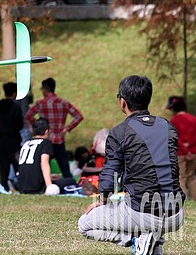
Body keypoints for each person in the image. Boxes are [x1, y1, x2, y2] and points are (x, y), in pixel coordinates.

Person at [78, 75, 184, 255]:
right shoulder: (168, 127)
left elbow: (110, 175)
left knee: (84, 225)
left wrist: (102, 200)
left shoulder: (120, 132)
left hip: (144, 212)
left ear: (122, 102)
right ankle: (151, 242)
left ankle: (137, 239)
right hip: (176, 213)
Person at [25, 77, 83, 178]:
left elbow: (28, 117)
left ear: (45, 89)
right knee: (64, 168)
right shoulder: (63, 103)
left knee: (41, 165)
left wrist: (38, 125)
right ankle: (69, 185)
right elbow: (78, 116)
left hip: (45, 139)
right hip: (59, 139)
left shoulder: (40, 104)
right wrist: (67, 128)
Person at [17, 117, 74, 195]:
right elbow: (44, 163)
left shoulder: (26, 143)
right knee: (70, 181)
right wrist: (49, 185)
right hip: (36, 187)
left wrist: (49, 176)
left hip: (21, 185)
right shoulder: (46, 143)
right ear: (47, 131)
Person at [0, 82, 23, 191]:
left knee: (3, 166)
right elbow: (20, 123)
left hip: (1, 140)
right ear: (14, 93)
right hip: (13, 140)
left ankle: (4, 187)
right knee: (17, 164)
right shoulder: (15, 107)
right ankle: (21, 185)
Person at [166, 95, 196, 200]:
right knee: (192, 177)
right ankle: (194, 199)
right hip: (193, 152)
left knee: (181, 177)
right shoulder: (194, 119)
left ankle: (182, 200)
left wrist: (185, 150)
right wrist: (190, 147)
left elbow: (175, 138)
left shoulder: (173, 121)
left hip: (180, 153)